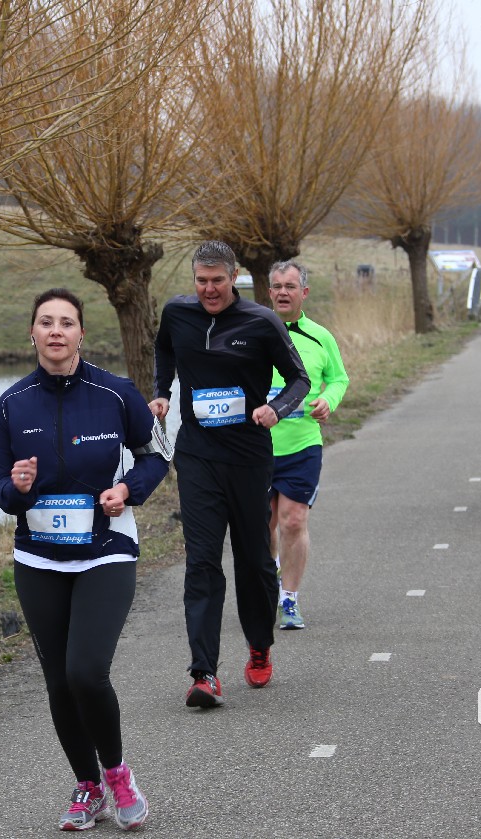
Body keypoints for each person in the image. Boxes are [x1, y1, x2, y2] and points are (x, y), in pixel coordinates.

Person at [0, 288, 170, 831]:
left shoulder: (115, 393)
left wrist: (128, 490)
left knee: (86, 672)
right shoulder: (12, 403)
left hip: (105, 551)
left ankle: (117, 774)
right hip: (38, 559)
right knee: (59, 682)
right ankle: (87, 786)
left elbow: (157, 455)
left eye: (66, 322)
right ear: (33, 333)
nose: (56, 331)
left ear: (81, 334)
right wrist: (18, 489)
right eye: (46, 322)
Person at [149, 241, 310, 709]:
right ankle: (204, 673)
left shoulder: (261, 321)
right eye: (201, 280)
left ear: (234, 276)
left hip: (248, 458)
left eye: (217, 280)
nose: (209, 289)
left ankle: (259, 644)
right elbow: (164, 348)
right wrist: (162, 391)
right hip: (197, 456)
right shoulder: (177, 313)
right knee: (201, 561)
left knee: (254, 560)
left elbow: (299, 379)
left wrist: (276, 409)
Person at [265, 260, 349, 631]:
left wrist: (328, 400)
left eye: (290, 286)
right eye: (277, 286)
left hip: (302, 444)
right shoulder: (251, 331)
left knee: (294, 520)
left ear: (304, 292)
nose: (283, 292)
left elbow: (339, 378)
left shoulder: (320, 336)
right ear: (269, 292)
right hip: (256, 448)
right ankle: (270, 577)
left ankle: (289, 599)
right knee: (263, 526)